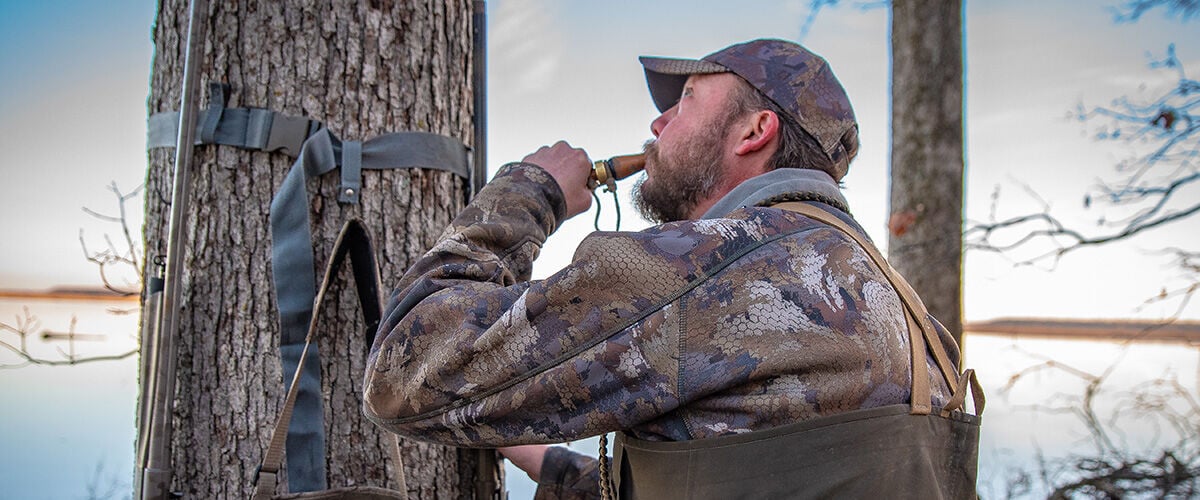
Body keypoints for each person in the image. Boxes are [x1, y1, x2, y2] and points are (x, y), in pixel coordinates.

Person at [363, 38, 979, 499]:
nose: (657, 124)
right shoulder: (893, 295)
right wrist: (550, 465)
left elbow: (404, 374)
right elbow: (738, 472)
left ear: (755, 131)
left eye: (685, 102)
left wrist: (531, 191)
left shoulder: (711, 266)